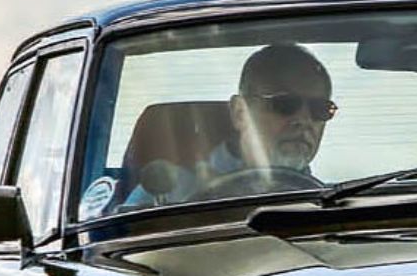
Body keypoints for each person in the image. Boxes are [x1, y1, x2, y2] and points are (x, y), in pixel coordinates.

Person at [104, 43, 336, 212]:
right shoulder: (170, 194)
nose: (304, 120)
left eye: (319, 109)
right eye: (285, 104)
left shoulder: (334, 207)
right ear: (240, 112)